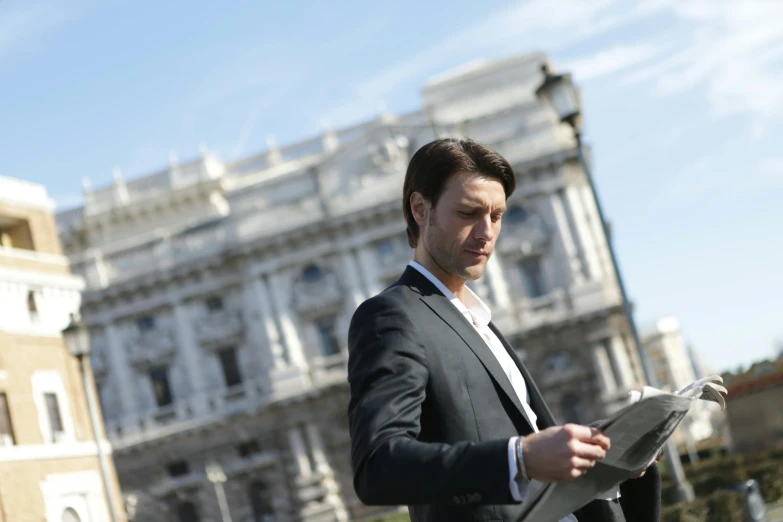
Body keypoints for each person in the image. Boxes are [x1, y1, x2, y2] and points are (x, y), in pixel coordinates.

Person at [346, 139, 661, 522]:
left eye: (497, 216)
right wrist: (520, 458)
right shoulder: (392, 316)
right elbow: (378, 466)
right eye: (468, 212)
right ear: (420, 209)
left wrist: (601, 454)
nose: (486, 232)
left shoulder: (479, 320)